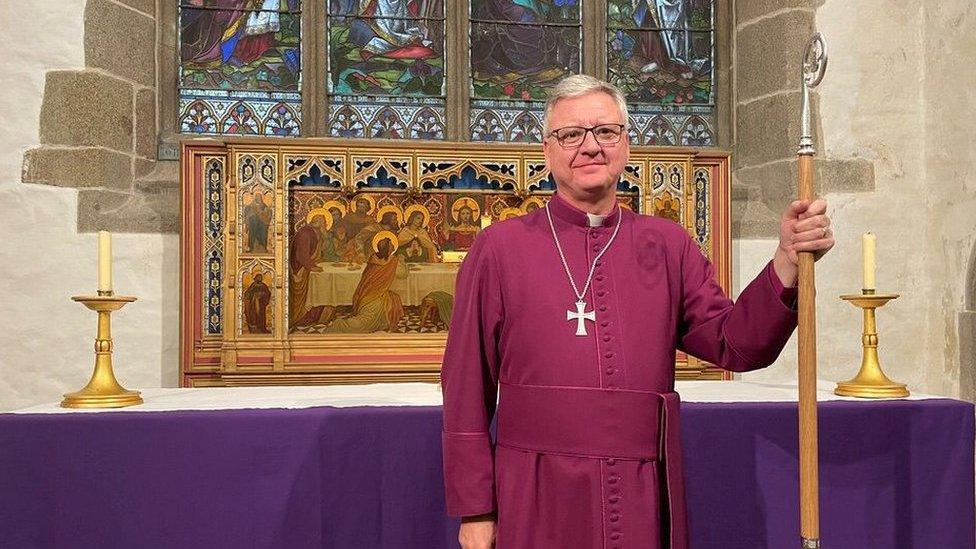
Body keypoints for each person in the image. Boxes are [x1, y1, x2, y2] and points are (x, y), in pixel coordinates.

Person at [440, 75, 835, 549]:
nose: (590, 147)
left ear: (626, 146)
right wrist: (476, 510)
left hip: (639, 490)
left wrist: (787, 260)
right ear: (547, 151)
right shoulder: (498, 248)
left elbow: (736, 343)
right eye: (571, 134)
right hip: (534, 487)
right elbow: (466, 383)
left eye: (606, 132)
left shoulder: (666, 244)